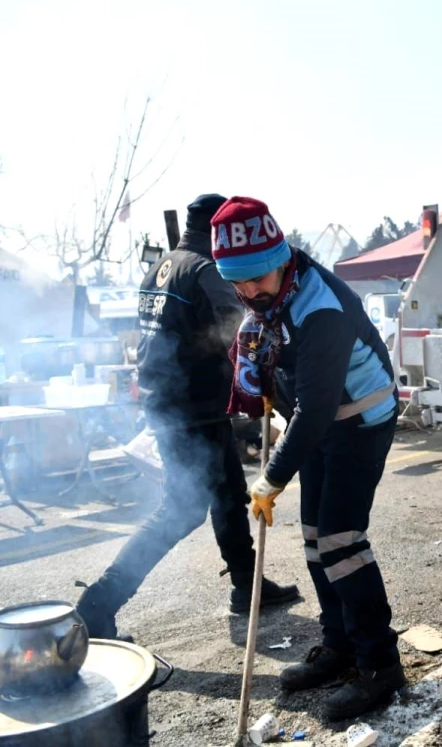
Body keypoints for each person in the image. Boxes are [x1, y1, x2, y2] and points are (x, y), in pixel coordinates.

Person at [209, 196, 402, 720]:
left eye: (256, 279)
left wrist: (270, 479)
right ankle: (339, 646)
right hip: (319, 422)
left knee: (342, 541)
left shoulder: (321, 308)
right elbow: (299, 389)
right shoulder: (272, 301)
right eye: (239, 283)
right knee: (316, 542)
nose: (249, 292)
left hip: (360, 420)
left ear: (280, 258)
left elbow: (316, 412)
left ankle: (380, 666)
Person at [77, 194, 299, 639]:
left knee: (228, 492)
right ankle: (97, 605)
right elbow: (236, 329)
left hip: (175, 401)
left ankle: (246, 585)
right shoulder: (202, 269)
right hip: (190, 407)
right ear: (214, 232)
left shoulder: (159, 267)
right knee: (181, 510)